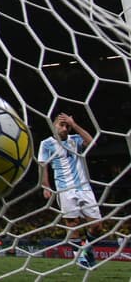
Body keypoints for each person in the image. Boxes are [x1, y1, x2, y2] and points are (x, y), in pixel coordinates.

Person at [39, 112, 103, 269]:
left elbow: (92, 143)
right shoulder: (46, 144)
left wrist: (74, 125)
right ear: (53, 126)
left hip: (84, 187)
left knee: (97, 226)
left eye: (67, 126)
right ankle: (80, 258)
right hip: (64, 189)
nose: (65, 128)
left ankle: (87, 249)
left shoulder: (75, 140)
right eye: (61, 125)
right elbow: (42, 165)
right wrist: (45, 185)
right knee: (72, 224)